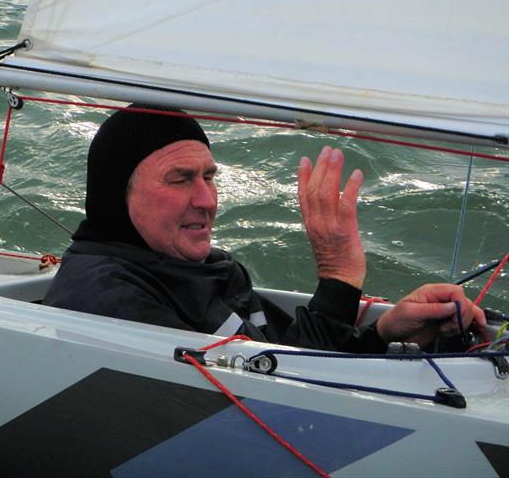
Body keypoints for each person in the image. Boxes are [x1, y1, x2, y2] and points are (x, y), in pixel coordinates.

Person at [43, 104, 486, 352]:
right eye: (180, 179)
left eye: (209, 177)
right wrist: (338, 274)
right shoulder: (106, 300)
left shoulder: (203, 270)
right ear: (116, 197)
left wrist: (385, 331)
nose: (207, 200)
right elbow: (293, 396)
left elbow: (288, 351)